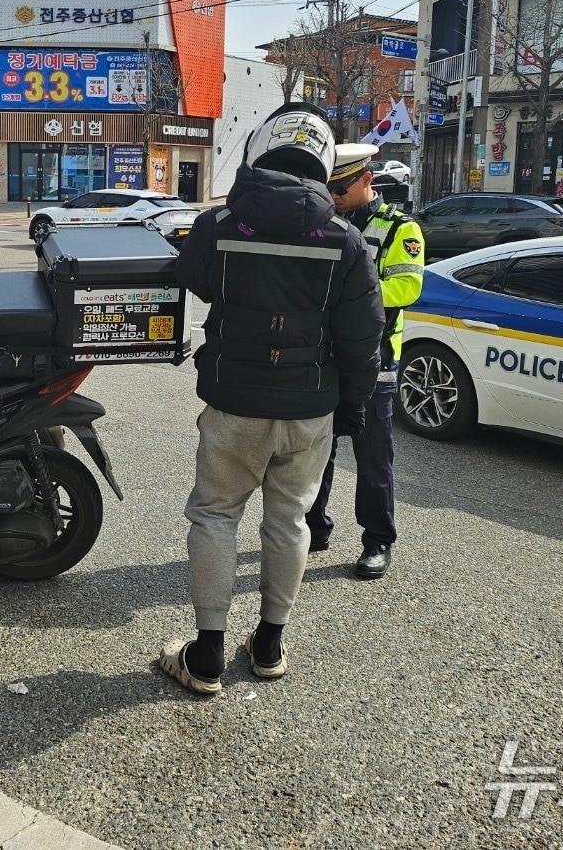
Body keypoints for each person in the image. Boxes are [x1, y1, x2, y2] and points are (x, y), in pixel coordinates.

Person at [159, 103, 384, 695]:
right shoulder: (347, 243)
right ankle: (269, 643)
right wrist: (354, 405)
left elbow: (194, 279)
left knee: (215, 514)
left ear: (259, 152)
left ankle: (204, 654)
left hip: (234, 404)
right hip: (310, 408)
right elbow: (364, 342)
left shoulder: (218, 226)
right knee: (288, 521)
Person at [306, 147, 425, 579]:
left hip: (375, 362)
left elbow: (407, 287)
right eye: (328, 188)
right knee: (314, 453)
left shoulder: (399, 228)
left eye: (341, 187)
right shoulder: (319, 224)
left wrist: (347, 299)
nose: (333, 196)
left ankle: (377, 540)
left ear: (366, 179)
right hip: (323, 358)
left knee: (373, 457)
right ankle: (313, 529)